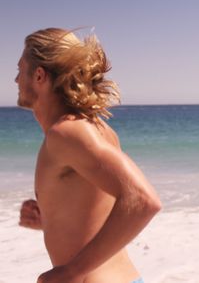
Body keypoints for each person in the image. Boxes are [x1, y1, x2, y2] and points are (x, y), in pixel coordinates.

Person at [16, 28, 162, 283]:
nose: (16, 80)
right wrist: (50, 219)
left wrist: (71, 271)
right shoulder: (90, 128)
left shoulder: (67, 132)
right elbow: (101, 209)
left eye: (20, 70)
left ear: (39, 75)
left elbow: (142, 200)